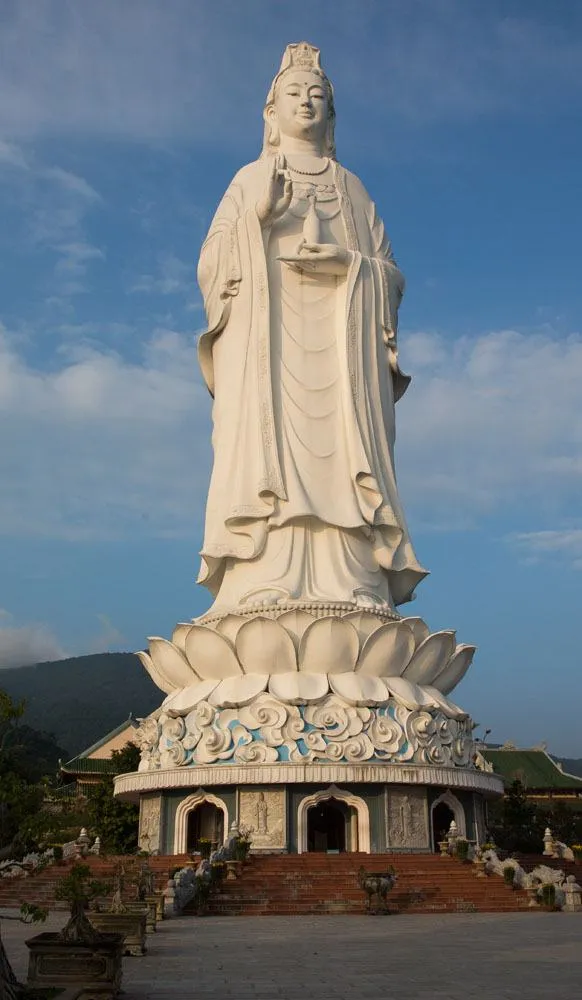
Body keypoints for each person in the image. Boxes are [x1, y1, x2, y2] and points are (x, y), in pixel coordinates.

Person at [197, 42, 427, 614]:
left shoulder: (352, 189)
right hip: (267, 348)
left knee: (344, 455)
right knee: (261, 449)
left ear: (332, 117)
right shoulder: (249, 179)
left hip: (340, 350)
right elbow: (210, 265)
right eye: (293, 94)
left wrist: (348, 265)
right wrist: (256, 217)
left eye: (317, 95)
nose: (306, 102)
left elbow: (391, 275)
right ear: (270, 114)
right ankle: (260, 579)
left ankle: (353, 579)